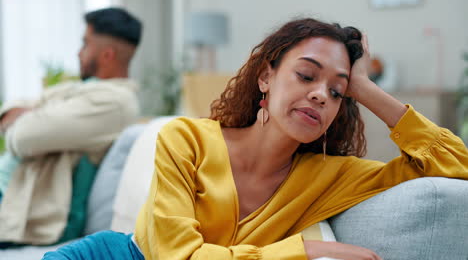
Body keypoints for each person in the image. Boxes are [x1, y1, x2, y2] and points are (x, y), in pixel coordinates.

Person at [43, 18, 467, 260]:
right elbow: (180, 259)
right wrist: (303, 250)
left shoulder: (329, 176)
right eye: (306, 75)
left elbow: (458, 165)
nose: (321, 93)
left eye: (337, 92)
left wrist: (365, 89)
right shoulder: (185, 139)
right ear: (266, 76)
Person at [0, 7, 142, 246]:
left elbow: (22, 138)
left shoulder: (115, 102)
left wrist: (34, 113)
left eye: (85, 44)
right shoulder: (80, 90)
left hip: (19, 211)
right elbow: (9, 111)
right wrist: (37, 114)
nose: (78, 52)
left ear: (107, 55)